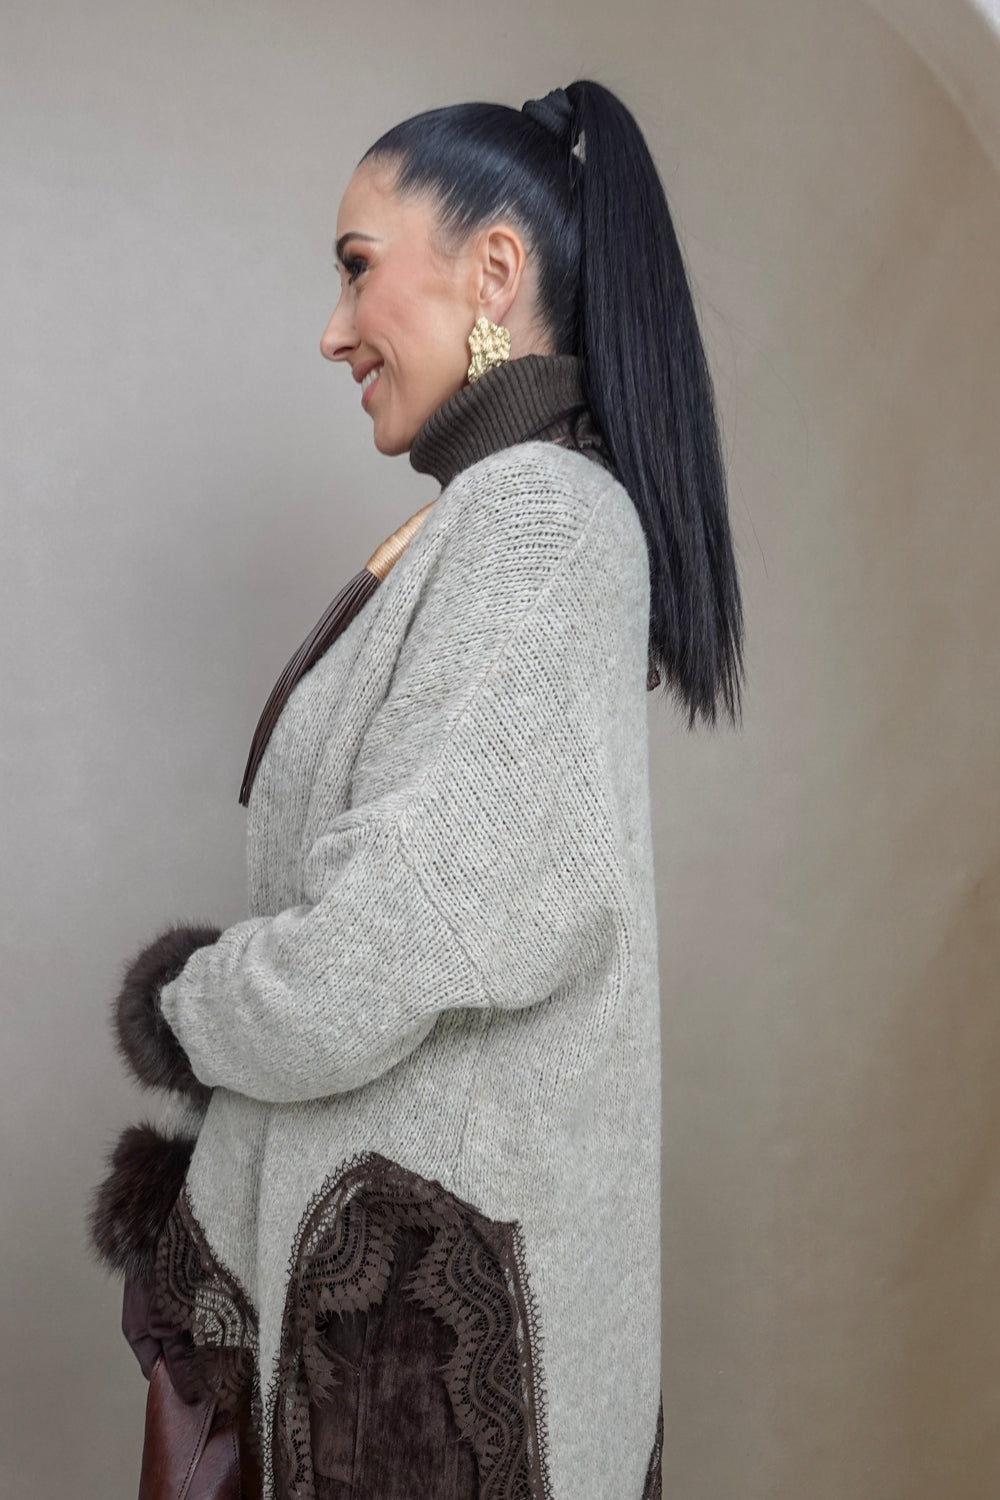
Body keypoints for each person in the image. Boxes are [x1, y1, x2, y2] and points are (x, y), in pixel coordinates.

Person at [90, 80, 743, 1500]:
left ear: (494, 272)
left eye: (357, 267)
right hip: (392, 1346)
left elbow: (381, 945)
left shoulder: (537, 521)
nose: (332, 331)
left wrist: (187, 1006)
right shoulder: (495, 516)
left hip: (412, 1377)